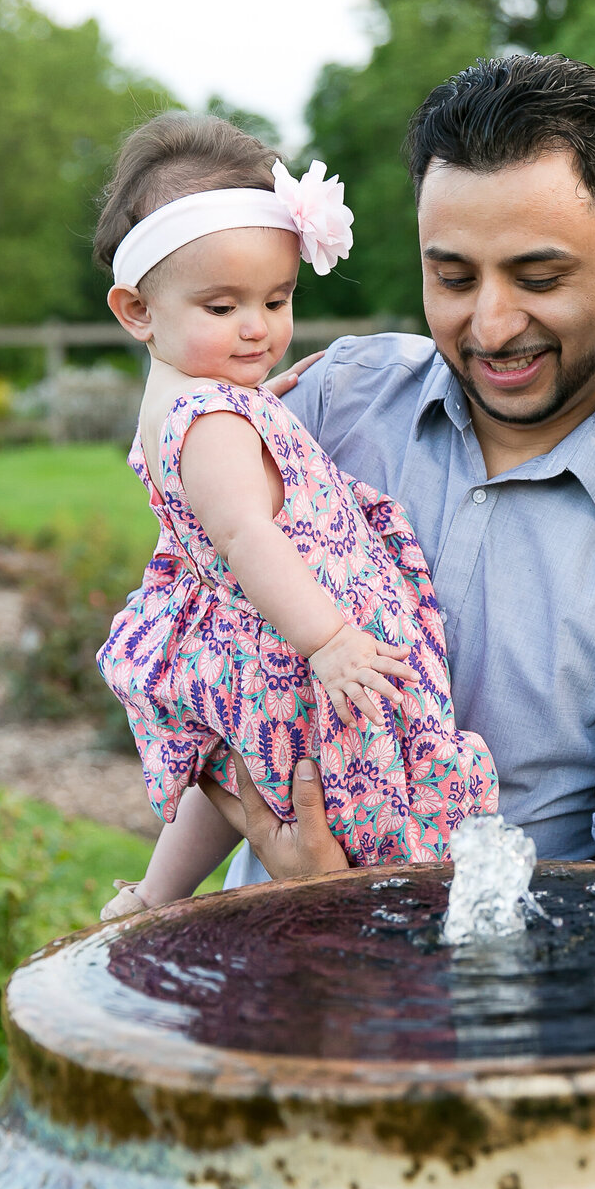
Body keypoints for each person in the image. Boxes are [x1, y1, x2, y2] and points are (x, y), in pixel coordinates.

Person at [213, 53, 595, 890]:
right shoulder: (331, 407)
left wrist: (339, 895)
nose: (493, 324)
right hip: (252, 985)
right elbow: (194, 639)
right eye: (453, 276)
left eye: (539, 277)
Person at [91, 113, 498, 921]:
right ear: (137, 310)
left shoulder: (202, 399)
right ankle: (406, 908)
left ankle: (154, 894)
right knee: (339, 783)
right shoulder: (212, 423)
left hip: (255, 647)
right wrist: (331, 639)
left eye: (275, 299)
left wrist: (256, 409)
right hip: (290, 646)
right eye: (221, 306)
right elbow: (247, 533)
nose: (257, 327)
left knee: (237, 765)